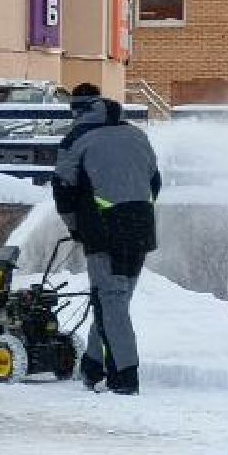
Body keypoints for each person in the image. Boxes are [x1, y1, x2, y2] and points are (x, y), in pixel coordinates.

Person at [53, 83, 161, 396]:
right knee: (114, 300)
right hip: (141, 225)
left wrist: (76, 226)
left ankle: (125, 376)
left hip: (104, 229)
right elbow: (155, 182)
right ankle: (93, 363)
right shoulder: (136, 134)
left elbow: (63, 188)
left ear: (78, 109)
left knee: (110, 301)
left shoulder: (77, 139)